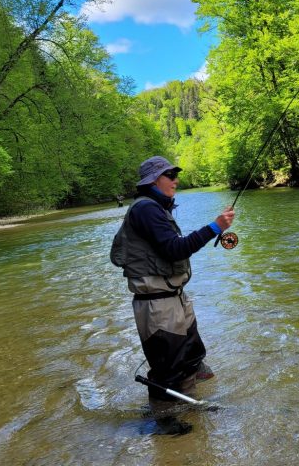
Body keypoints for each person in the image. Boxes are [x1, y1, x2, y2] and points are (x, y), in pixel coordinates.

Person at [110, 155, 234, 434]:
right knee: (167, 371)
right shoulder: (146, 210)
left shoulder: (155, 208)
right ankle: (165, 424)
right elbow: (175, 249)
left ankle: (187, 406)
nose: (176, 180)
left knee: (193, 357)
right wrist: (215, 227)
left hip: (173, 299)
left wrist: (216, 227)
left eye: (175, 174)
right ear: (154, 181)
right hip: (157, 306)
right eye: (170, 175)